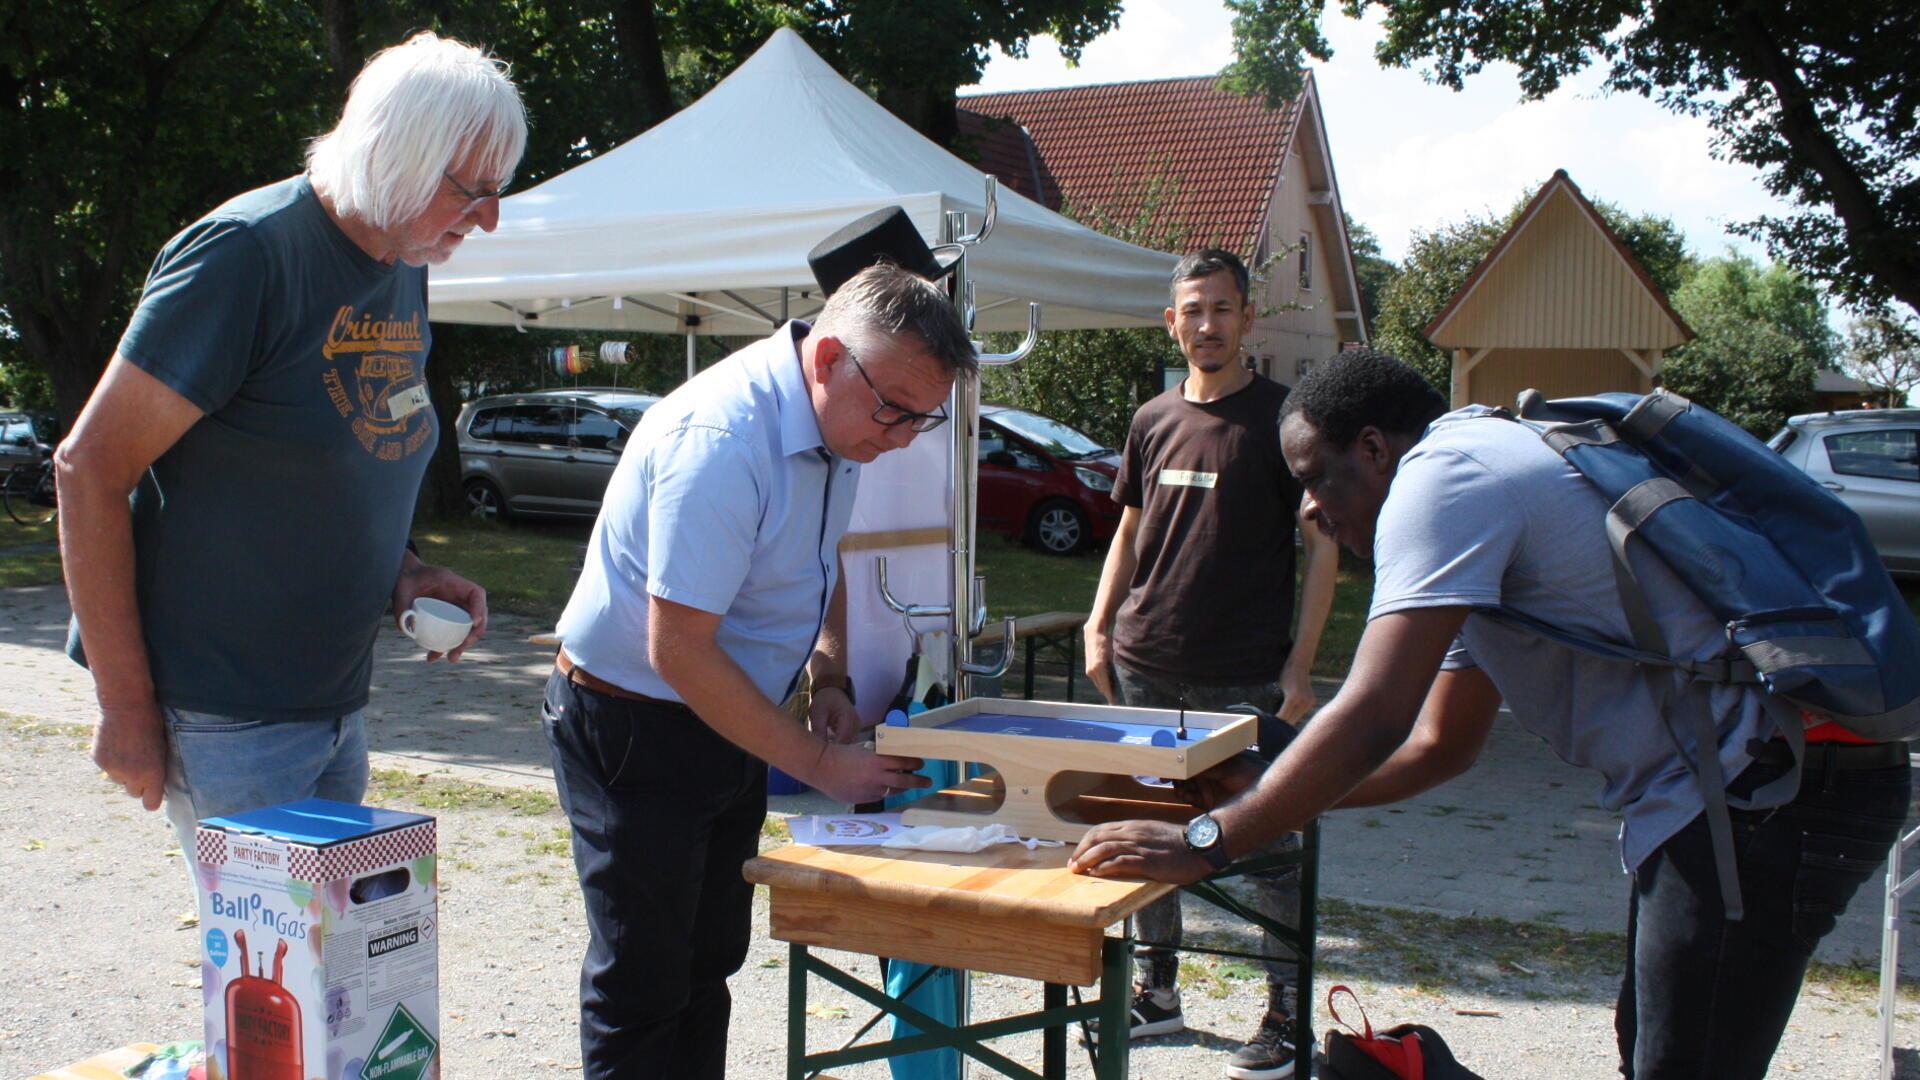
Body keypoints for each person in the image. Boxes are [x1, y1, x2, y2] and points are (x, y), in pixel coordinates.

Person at [1070, 349, 1913, 1080]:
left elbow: (1373, 714)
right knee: (1655, 1048)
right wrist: (1267, 794)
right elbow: (1440, 744)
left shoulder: (1443, 479)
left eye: (1313, 478)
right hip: (1750, 794)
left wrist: (1208, 841)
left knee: (1680, 1066)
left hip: (1775, 791)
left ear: (1372, 449)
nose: (1311, 512)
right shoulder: (1482, 479)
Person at [56, 32, 523, 857]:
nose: (489, 217)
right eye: (472, 191)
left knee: (331, 973)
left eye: (498, 189)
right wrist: (126, 709)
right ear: (396, 157)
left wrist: (406, 570)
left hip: (331, 699)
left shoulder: (402, 258)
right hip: (224, 710)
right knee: (273, 972)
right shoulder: (246, 256)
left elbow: (357, 438)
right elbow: (88, 467)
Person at [545, 261, 978, 1079]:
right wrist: (815, 763)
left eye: (921, 422)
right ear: (825, 359)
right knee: (643, 979)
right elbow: (676, 649)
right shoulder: (720, 439)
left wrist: (832, 675)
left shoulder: (842, 418)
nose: (897, 438)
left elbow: (824, 554)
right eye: (894, 412)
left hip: (728, 715)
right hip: (633, 719)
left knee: (709, 960)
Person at [1080, 248, 1337, 1079]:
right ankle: (1158, 994)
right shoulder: (1152, 418)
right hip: (1146, 658)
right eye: (1193, 311)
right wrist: (1097, 623)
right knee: (1150, 834)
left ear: (1247, 318)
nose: (1207, 325)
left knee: (1266, 847)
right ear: (1172, 320)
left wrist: (1301, 668)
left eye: (1222, 309)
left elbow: (1323, 543)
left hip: (1244, 674)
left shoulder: (1283, 418)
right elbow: (1127, 528)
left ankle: (1285, 1017)